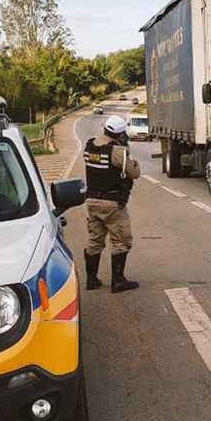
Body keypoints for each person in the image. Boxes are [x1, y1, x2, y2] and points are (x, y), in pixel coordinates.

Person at [83, 115, 141, 293]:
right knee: (121, 241)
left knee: (95, 241)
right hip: (112, 204)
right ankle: (118, 280)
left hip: (92, 201)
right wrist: (129, 155)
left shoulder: (90, 145)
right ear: (120, 132)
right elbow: (134, 173)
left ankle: (91, 279)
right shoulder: (118, 151)